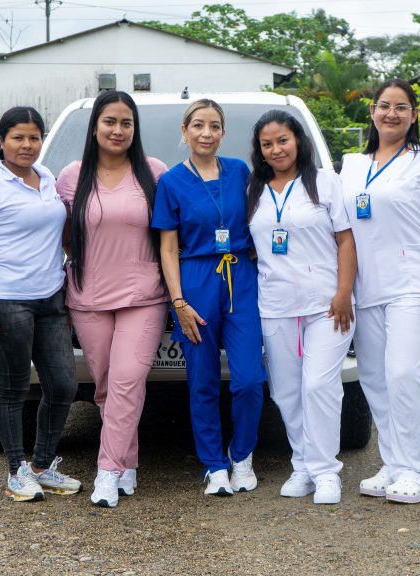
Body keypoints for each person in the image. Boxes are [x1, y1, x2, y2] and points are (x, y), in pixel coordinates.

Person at [340, 79, 420, 504]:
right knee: (375, 378)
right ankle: (392, 464)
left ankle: (415, 471)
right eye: (384, 106)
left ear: (414, 114)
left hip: (415, 285)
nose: (391, 114)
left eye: (401, 107)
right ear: (372, 112)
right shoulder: (353, 165)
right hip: (368, 287)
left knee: (404, 374)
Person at [0, 106, 82, 502]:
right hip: (7, 299)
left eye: (33, 137)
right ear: (2, 141)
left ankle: (42, 466)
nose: (26, 145)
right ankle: (16, 471)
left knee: (63, 384)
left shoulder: (47, 177)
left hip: (51, 298)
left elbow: (62, 235)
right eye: (18, 137)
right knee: (13, 388)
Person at [55, 90, 169, 508]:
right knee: (105, 388)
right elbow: (63, 234)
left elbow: (169, 233)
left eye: (126, 123)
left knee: (127, 379)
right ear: (95, 127)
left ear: (134, 129)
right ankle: (127, 461)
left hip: (144, 296)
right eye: (110, 121)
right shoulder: (72, 176)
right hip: (89, 296)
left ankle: (106, 473)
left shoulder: (154, 171)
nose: (118, 130)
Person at [151, 99, 267, 496]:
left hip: (241, 278)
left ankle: (242, 456)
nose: (206, 133)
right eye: (198, 125)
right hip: (196, 281)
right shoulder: (171, 182)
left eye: (214, 126)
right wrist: (178, 302)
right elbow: (168, 248)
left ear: (223, 132)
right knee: (202, 380)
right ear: (184, 131)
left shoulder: (239, 172)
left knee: (249, 379)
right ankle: (215, 466)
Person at [246, 110, 357, 505]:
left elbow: (346, 239)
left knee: (319, 385)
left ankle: (326, 472)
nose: (276, 149)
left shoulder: (325, 182)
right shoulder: (254, 190)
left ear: (298, 141)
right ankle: (303, 466)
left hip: (326, 304)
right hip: (275, 305)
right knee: (287, 391)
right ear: (259, 150)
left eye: (283, 140)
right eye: (267, 144)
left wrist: (344, 292)